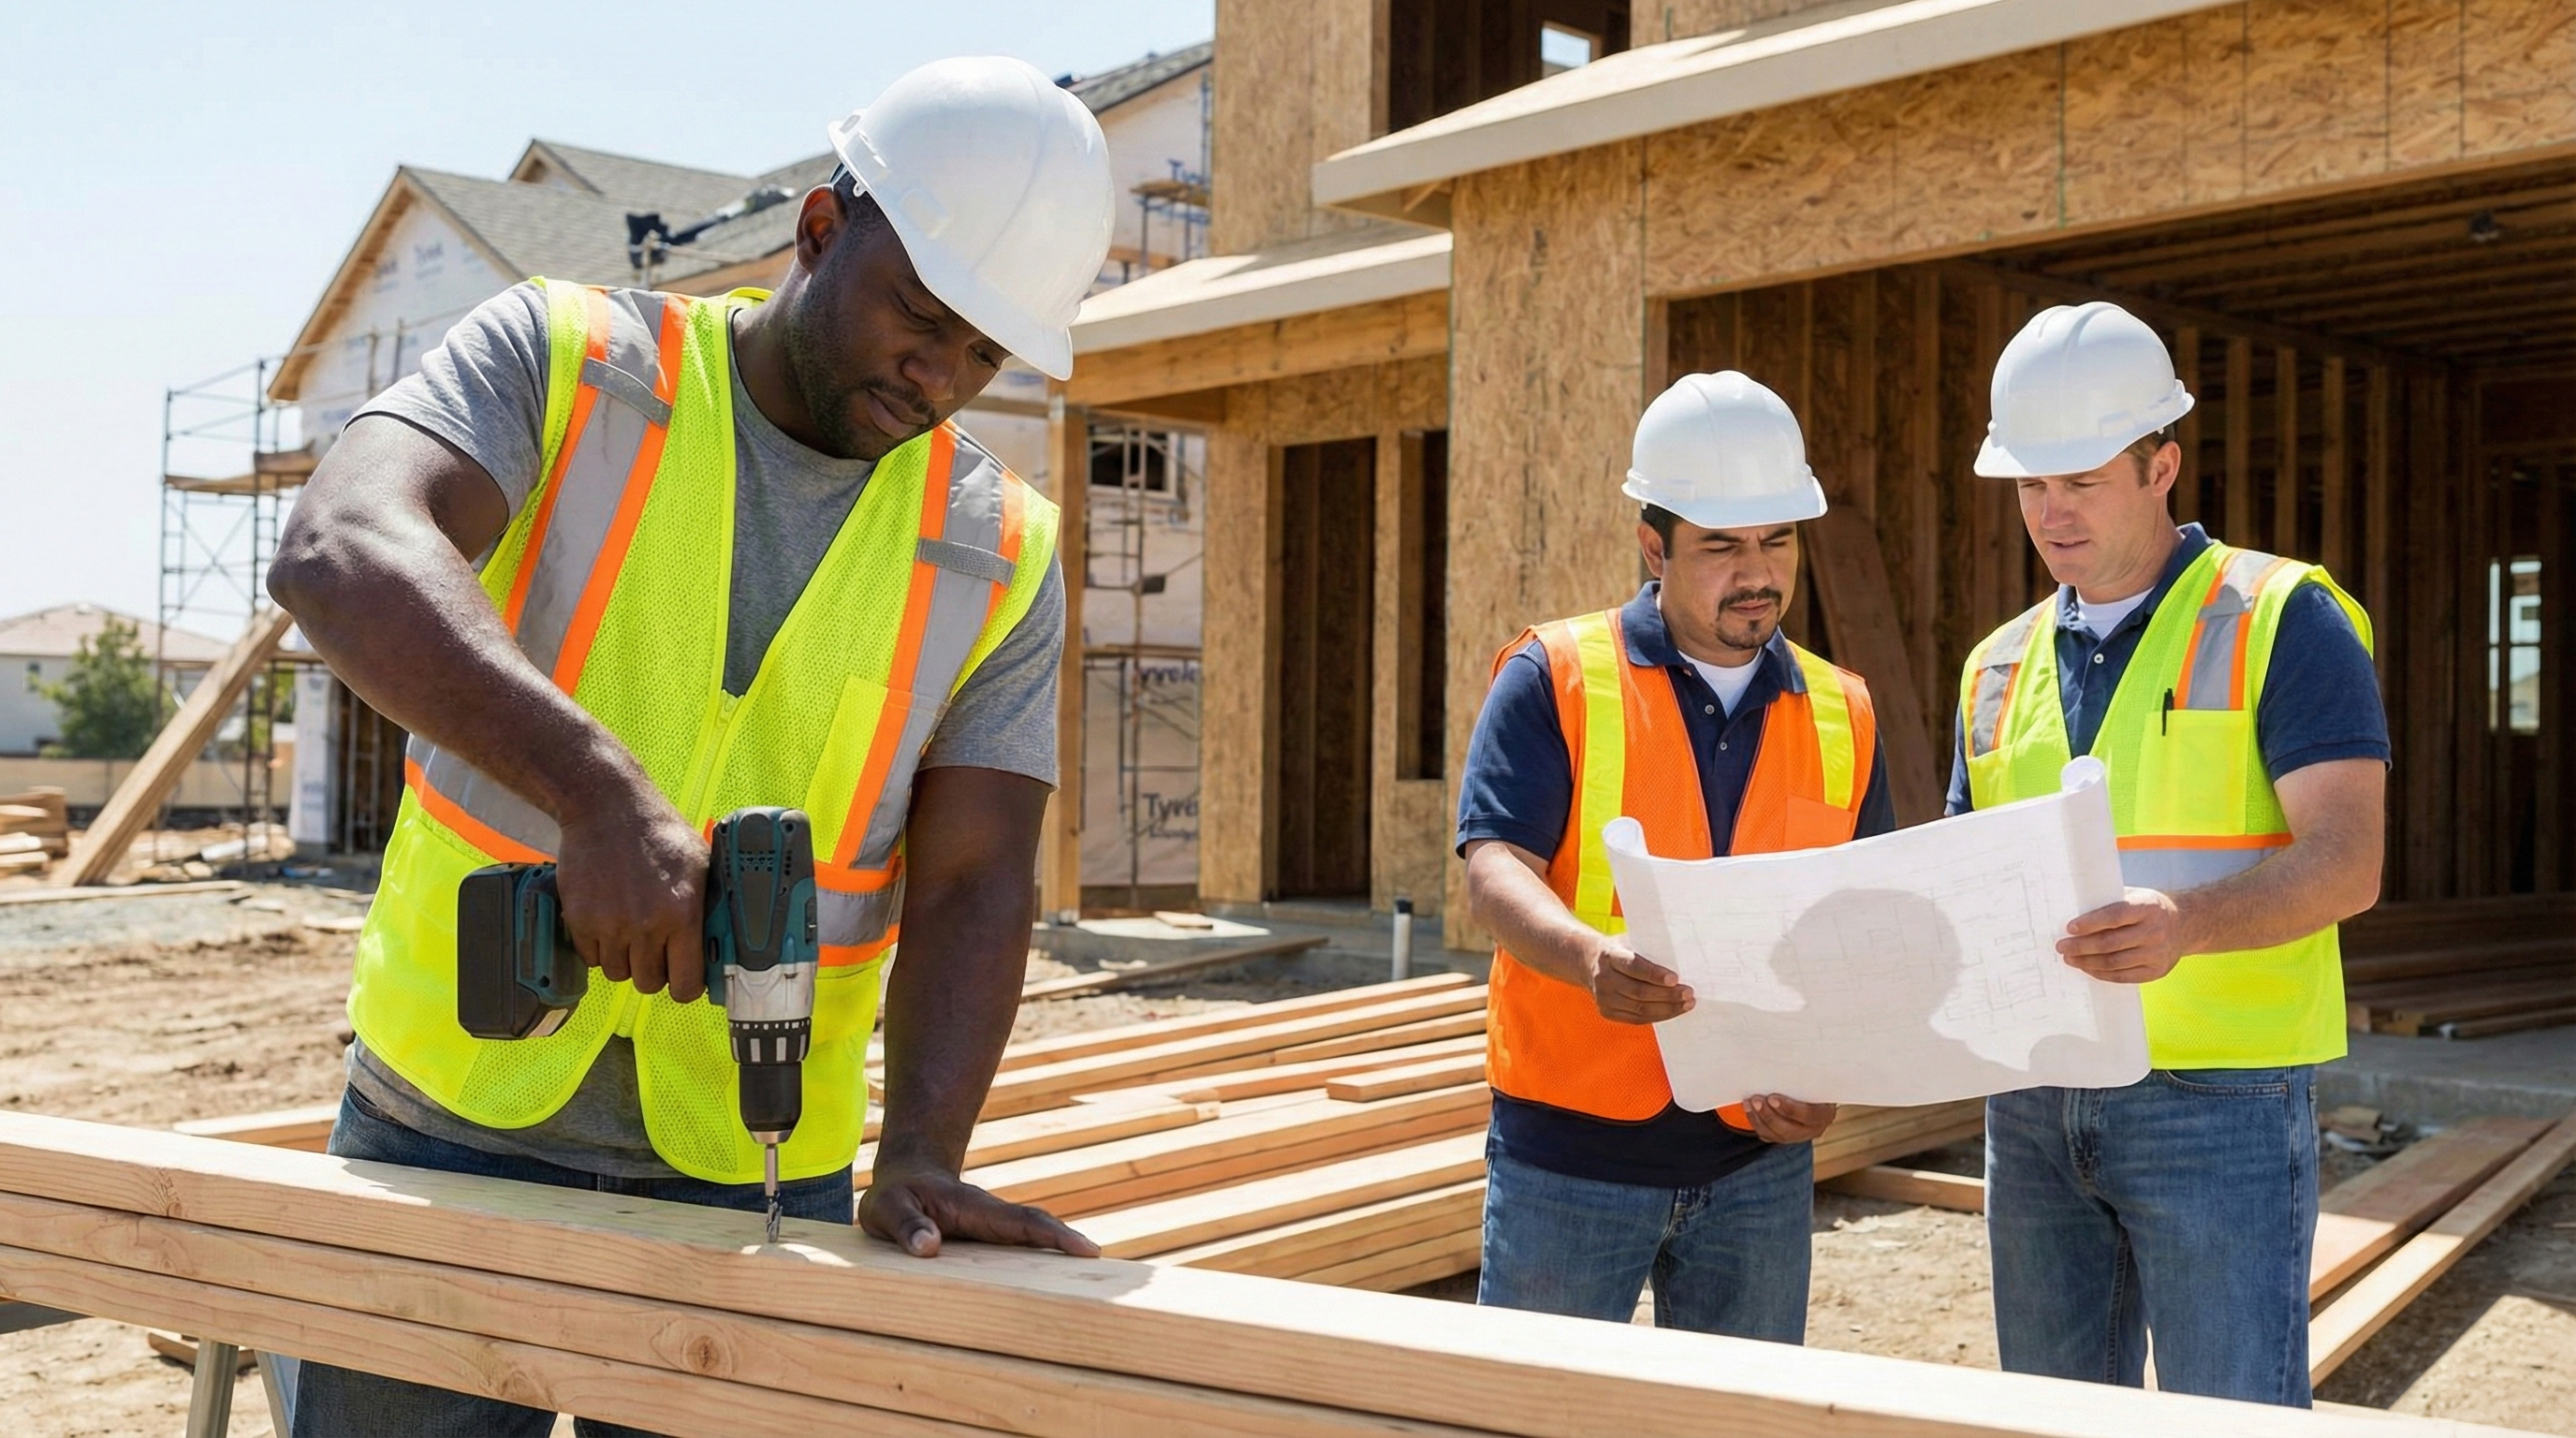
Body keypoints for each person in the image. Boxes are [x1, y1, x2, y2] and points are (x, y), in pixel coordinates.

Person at [265, 56, 1115, 1436]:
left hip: (753, 1167)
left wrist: (920, 1155)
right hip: (448, 1119)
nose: (941, 372)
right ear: (824, 232)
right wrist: (592, 791)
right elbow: (339, 549)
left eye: (984, 351)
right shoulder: (569, 362)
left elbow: (974, 880)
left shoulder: (1000, 547)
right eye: (920, 315)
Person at [1954, 301, 2388, 1406]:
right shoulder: (1996, 666)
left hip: (2219, 1106)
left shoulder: (2280, 615)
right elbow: (1967, 886)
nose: (2050, 513)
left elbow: (2348, 861)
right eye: (2028, 484)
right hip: (2037, 1102)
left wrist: (2183, 925)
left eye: (2082, 480)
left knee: (2230, 1416)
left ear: (2162, 467)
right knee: (2047, 1421)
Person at [1456, 371, 1895, 1338]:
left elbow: (1862, 926)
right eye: (1721, 546)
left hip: (1758, 1167)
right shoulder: (1554, 677)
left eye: (1775, 539)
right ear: (1654, 545)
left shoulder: (1842, 709)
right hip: (1568, 1159)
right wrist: (1589, 959)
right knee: (1536, 1420)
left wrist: (1831, 1072)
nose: (1756, 572)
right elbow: (1492, 870)